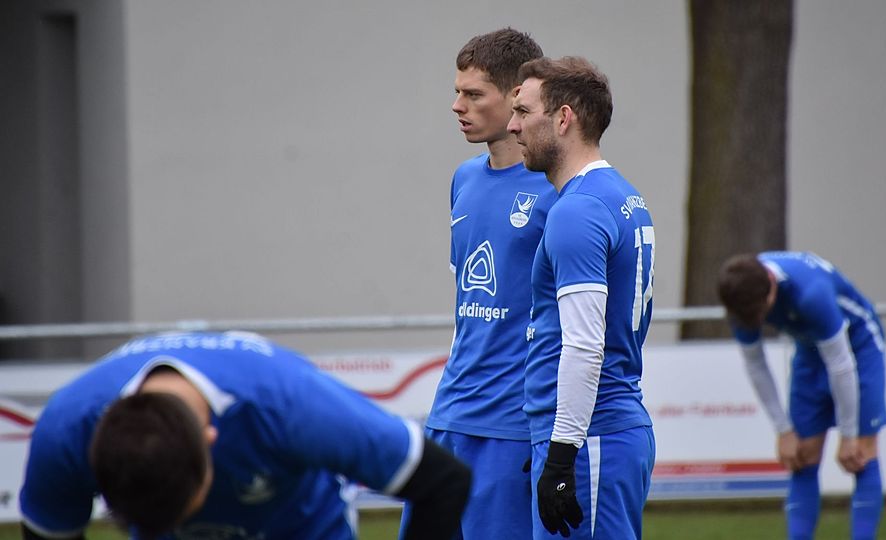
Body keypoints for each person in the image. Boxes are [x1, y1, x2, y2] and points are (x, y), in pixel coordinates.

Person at [19, 331, 471, 540]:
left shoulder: (291, 405)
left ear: (211, 440)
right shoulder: (67, 430)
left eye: (184, 513)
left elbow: (444, 480)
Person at [410, 28, 555, 539]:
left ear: (516, 97)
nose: (457, 106)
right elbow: (467, 300)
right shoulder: (464, 179)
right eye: (457, 92)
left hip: (512, 425)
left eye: (473, 94)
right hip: (448, 416)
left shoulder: (558, 190)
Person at [508, 56, 656, 539]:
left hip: (592, 437)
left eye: (524, 111)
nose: (512, 126)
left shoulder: (577, 210)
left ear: (563, 118)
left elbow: (585, 344)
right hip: (597, 434)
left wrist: (562, 453)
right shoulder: (618, 194)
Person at [716, 251, 886, 540]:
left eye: (762, 312)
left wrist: (848, 435)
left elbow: (841, 364)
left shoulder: (811, 294)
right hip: (809, 351)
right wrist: (783, 430)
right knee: (802, 455)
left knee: (860, 453)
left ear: (772, 286)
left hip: (859, 346)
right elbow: (755, 364)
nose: (758, 321)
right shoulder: (741, 297)